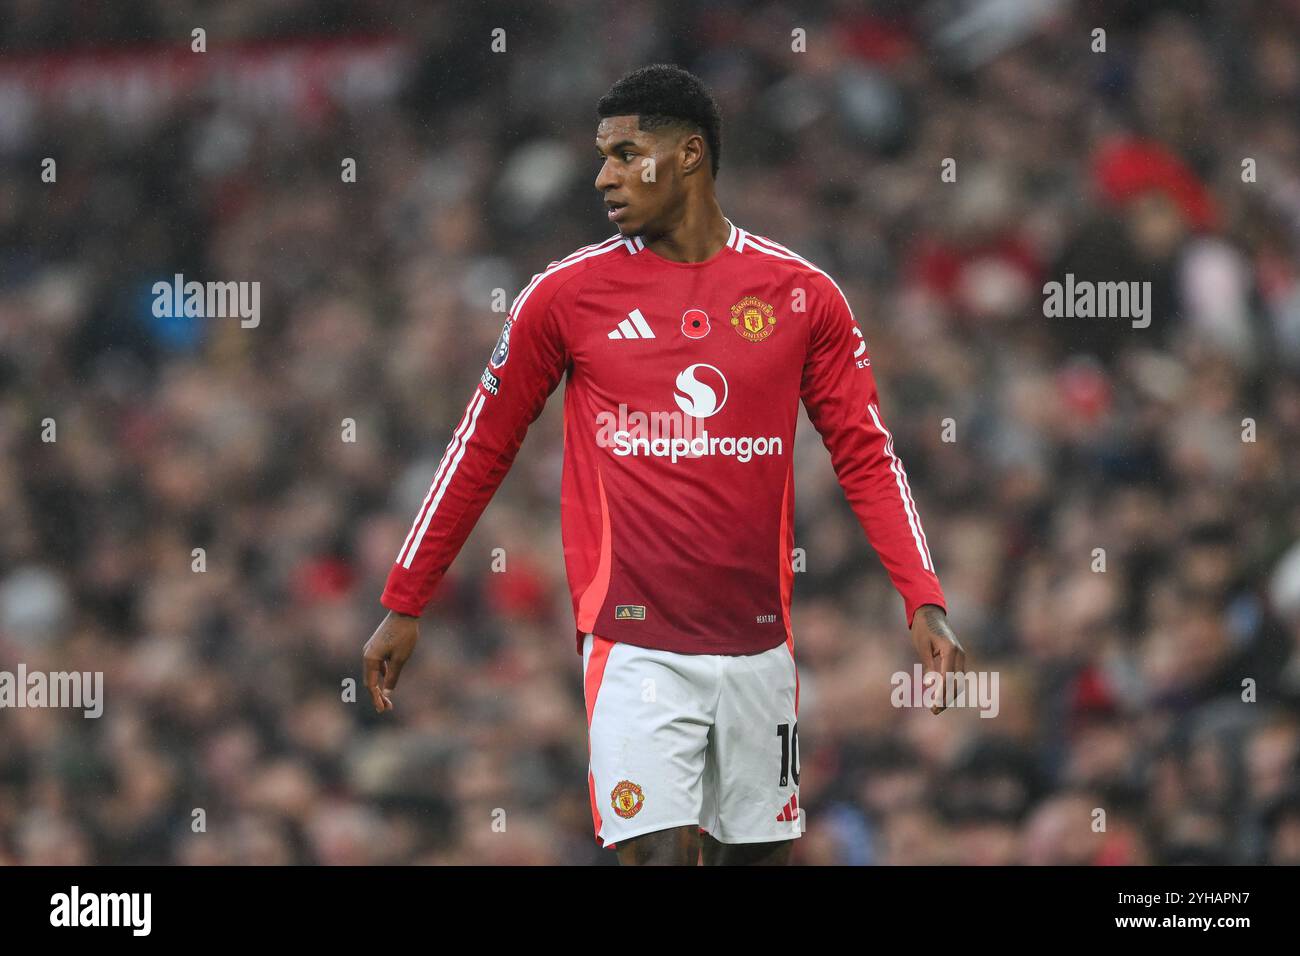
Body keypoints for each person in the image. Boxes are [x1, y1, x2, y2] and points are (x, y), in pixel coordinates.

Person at [363, 63, 965, 865]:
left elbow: (865, 452)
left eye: (623, 153)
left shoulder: (801, 295)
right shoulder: (566, 296)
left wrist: (921, 598)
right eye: (600, 156)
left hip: (759, 644)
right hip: (633, 642)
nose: (603, 175)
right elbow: (481, 444)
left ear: (688, 156)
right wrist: (408, 597)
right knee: (655, 856)